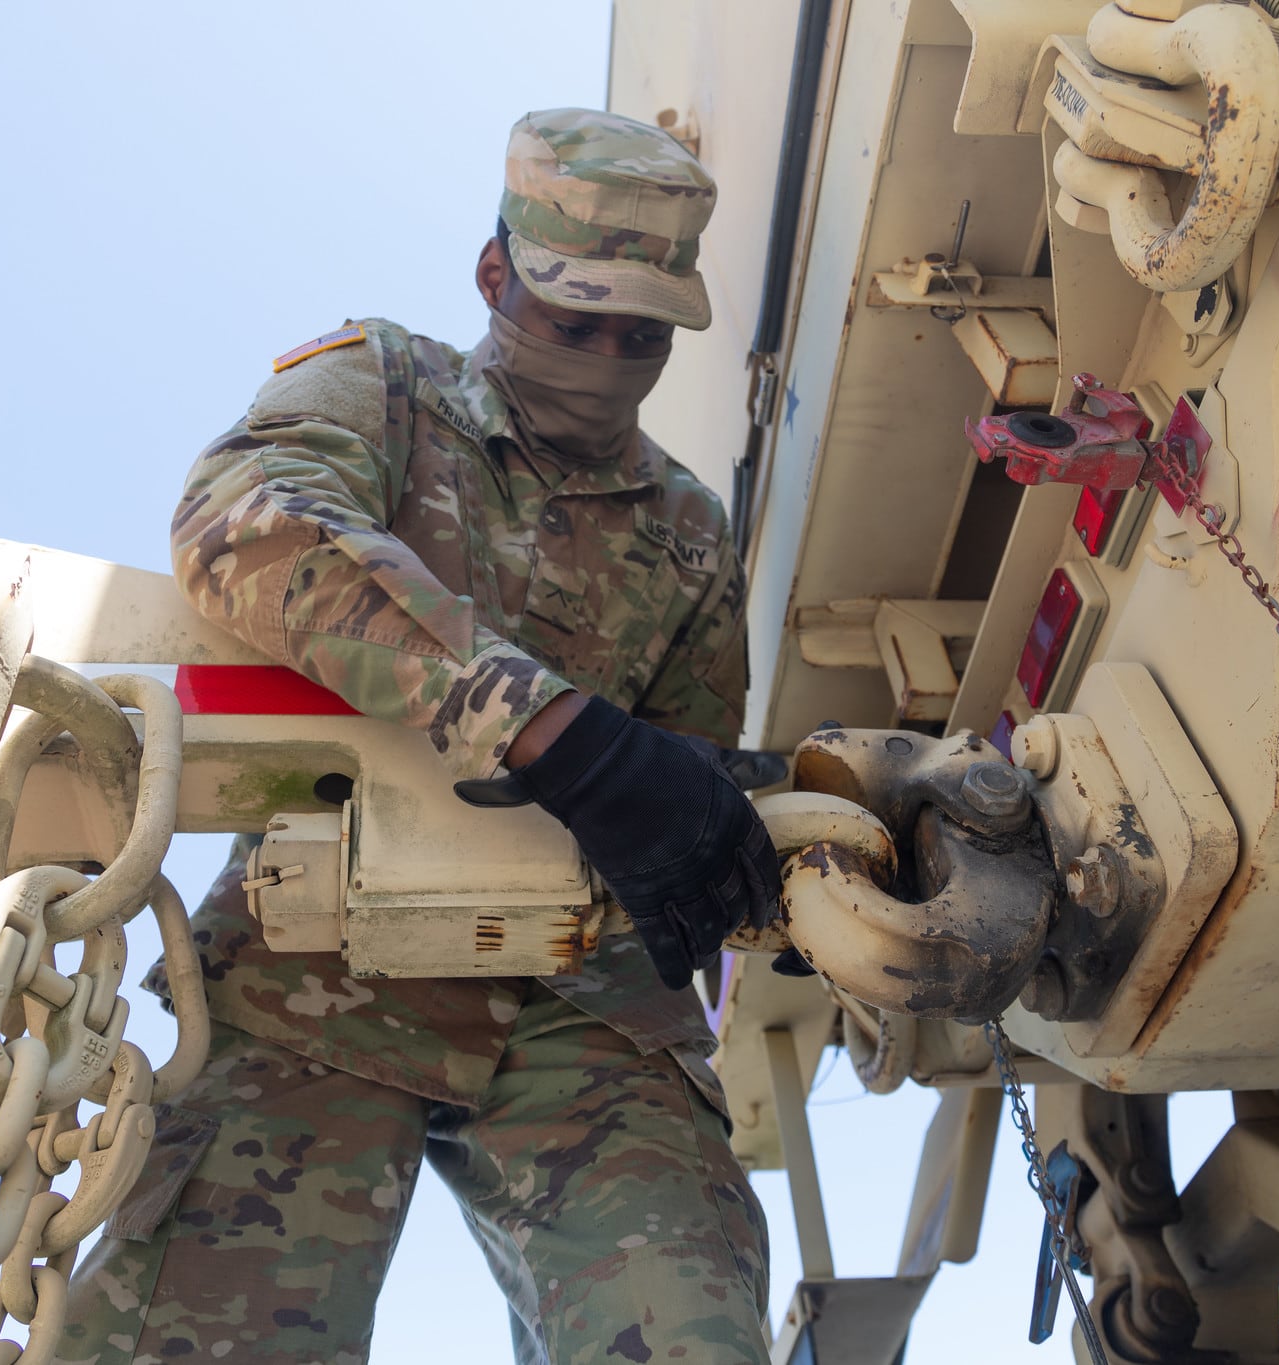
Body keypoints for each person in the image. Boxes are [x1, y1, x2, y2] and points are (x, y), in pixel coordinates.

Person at [60, 108, 781, 1365]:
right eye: (575, 323)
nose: (609, 357)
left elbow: (678, 781)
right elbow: (248, 525)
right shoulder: (384, 384)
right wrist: (552, 730)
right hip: (315, 965)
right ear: (495, 274)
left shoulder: (688, 527)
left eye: (643, 336)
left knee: (687, 1334)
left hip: (586, 1012)